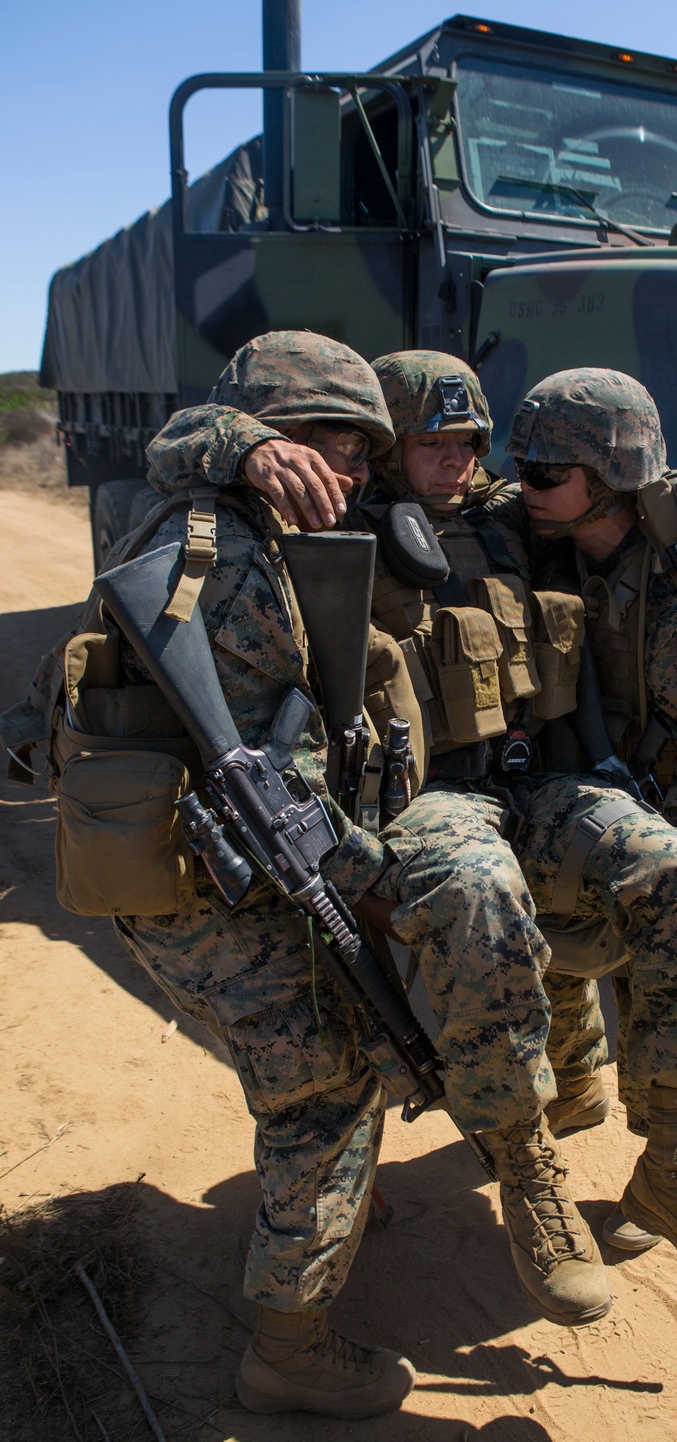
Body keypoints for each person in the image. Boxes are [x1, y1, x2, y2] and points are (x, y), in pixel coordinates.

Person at [149, 345, 677, 1312]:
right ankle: (528, 1175)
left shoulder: (517, 520)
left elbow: (611, 484)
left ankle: (676, 1161)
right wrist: (246, 441)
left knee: (674, 870)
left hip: (541, 780)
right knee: (477, 896)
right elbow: (178, 449)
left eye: (471, 441)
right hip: (425, 800)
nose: (454, 460)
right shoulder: (330, 514)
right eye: (430, 442)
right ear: (387, 450)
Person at [104, 332, 422, 1419]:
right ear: (280, 442)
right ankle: (287, 1347)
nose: (358, 468)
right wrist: (391, 882)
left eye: (366, 448)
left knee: (323, 1048)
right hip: (206, 886)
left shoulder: (234, 520)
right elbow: (281, 786)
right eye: (340, 440)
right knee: (328, 1085)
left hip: (206, 867)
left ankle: (328, 1210)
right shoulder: (228, 550)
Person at [505, 367, 677, 1296]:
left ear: (609, 478)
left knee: (660, 912)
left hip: (668, 814)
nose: (522, 483)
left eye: (545, 471)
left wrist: (655, 870)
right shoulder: (553, 537)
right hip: (575, 787)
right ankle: (574, 1080)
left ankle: (670, 1164)